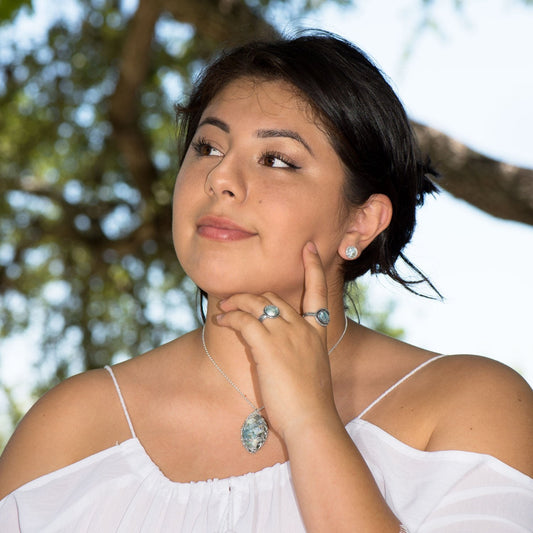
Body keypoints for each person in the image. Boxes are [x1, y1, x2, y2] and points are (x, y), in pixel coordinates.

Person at [0, 31, 532, 533]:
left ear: (361, 222)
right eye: (208, 148)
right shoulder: (71, 430)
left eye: (276, 159)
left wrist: (310, 423)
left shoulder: (472, 406)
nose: (220, 179)